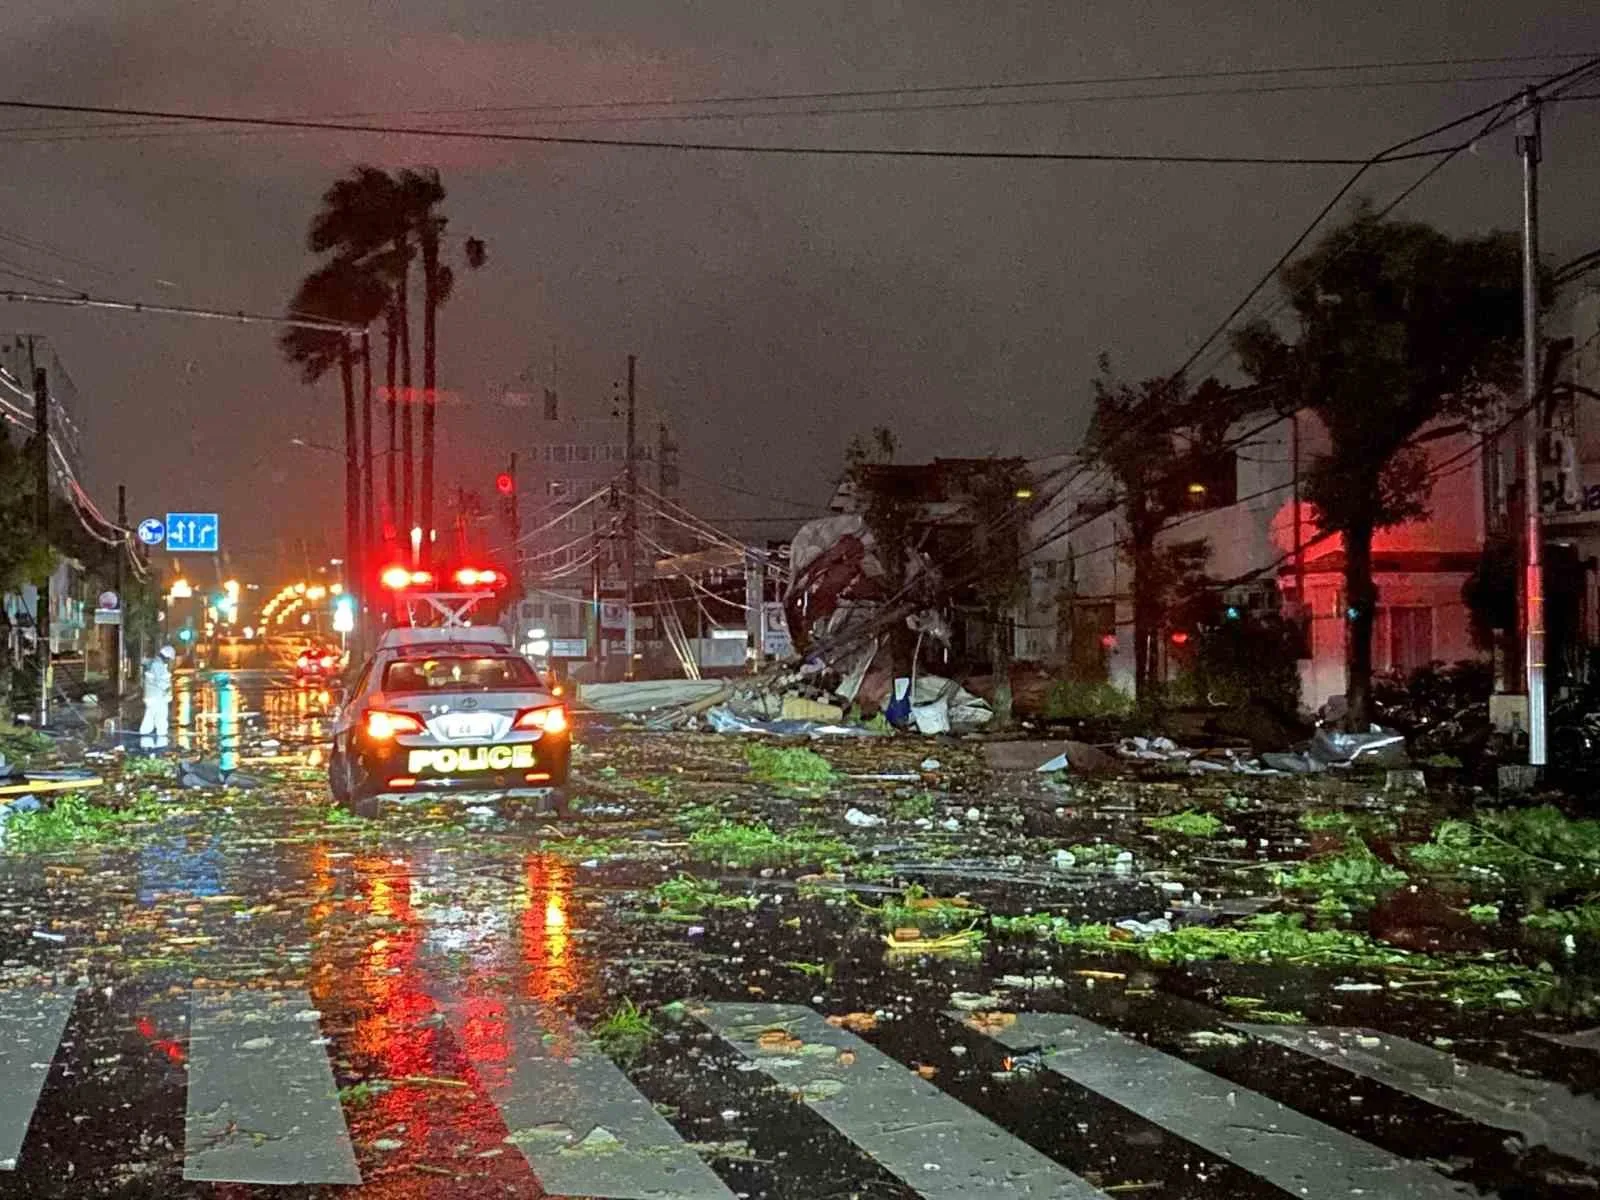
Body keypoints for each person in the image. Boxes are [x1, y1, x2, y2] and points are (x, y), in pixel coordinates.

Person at [138, 645, 176, 750]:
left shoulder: (154, 663)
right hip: (158, 697)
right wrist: (168, 692)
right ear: (166, 656)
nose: (169, 661)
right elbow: (161, 682)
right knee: (161, 719)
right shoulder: (158, 665)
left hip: (152, 697)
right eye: (169, 659)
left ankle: (145, 743)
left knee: (149, 718)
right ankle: (161, 744)